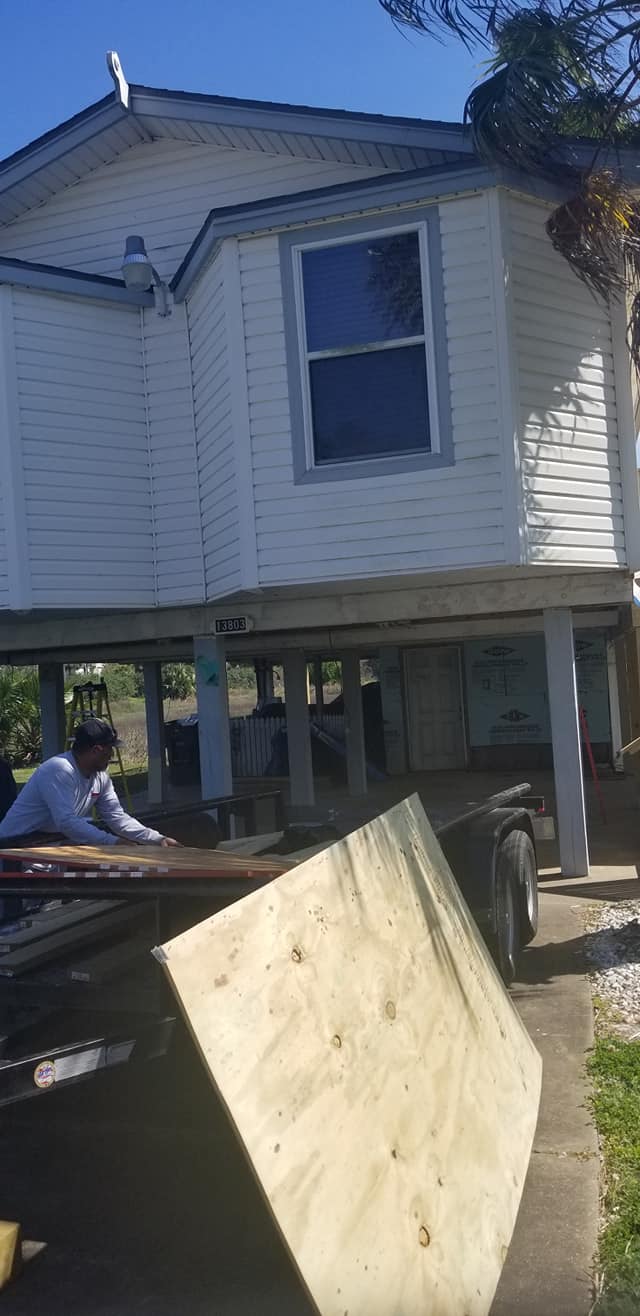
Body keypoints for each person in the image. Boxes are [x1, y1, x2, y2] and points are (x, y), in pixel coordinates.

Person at [0, 718, 179, 849]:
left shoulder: (101, 777)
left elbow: (117, 817)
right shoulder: (58, 770)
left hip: (47, 849)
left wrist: (156, 839)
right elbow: (66, 822)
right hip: (13, 849)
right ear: (96, 750)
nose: (112, 756)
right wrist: (114, 842)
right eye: (110, 750)